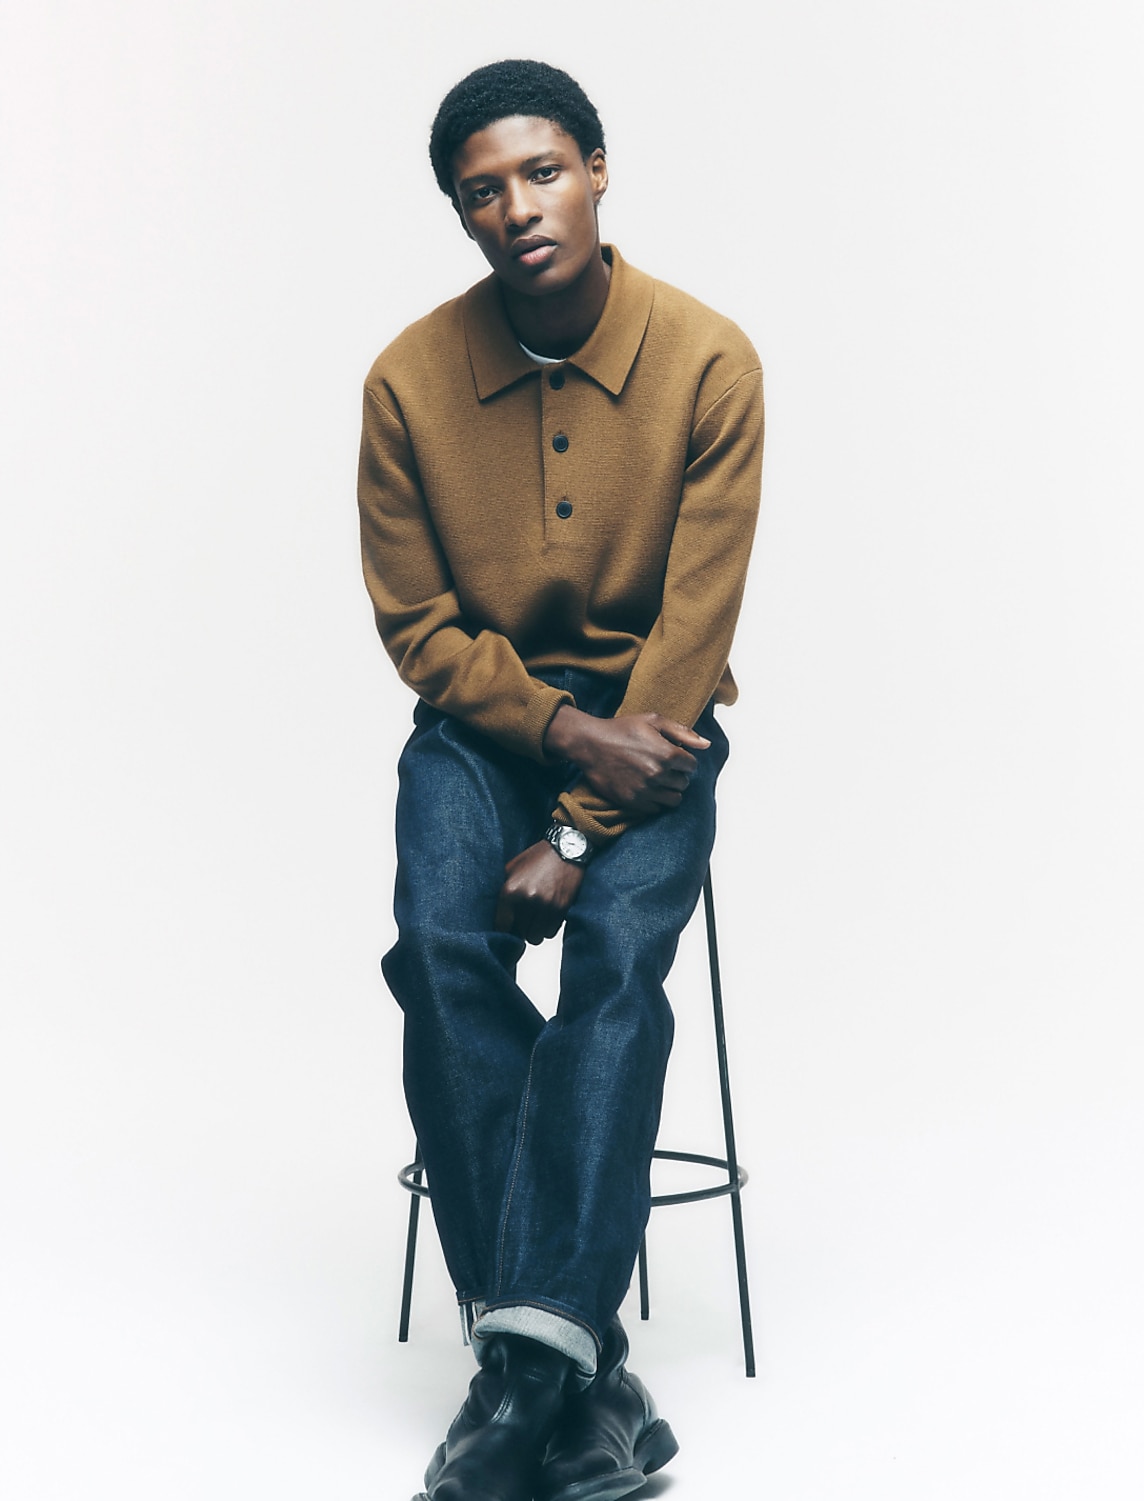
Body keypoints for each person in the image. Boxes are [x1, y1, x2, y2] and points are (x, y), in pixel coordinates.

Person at [357, 58, 764, 1501]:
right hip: (484, 730)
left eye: (541, 171)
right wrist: (560, 744)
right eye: (483, 188)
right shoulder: (409, 379)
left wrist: (586, 822)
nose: (517, 207)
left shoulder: (709, 359)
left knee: (611, 965)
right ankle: (569, 1367)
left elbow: (692, 625)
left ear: (597, 168)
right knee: (438, 946)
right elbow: (420, 630)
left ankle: (516, 1374)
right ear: (459, 213)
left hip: (656, 731)